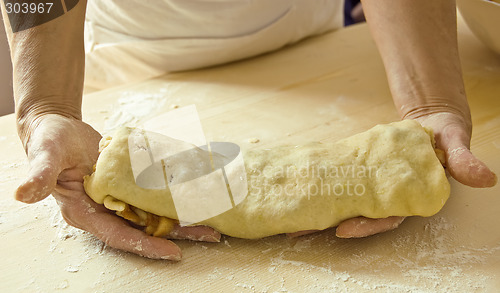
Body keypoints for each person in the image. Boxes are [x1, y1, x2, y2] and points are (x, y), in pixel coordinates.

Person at [1, 0, 496, 260]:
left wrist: (430, 98)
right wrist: (47, 103)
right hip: (145, 49)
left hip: (308, 33)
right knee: (151, 174)